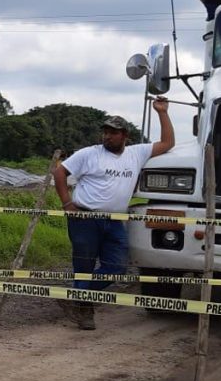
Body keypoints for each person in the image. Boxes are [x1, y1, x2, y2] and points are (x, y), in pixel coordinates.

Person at [53, 98, 175, 330]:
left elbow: (168, 142)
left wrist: (162, 112)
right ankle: (85, 311)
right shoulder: (89, 154)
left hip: (115, 221)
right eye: (105, 132)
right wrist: (67, 204)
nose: (107, 136)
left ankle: (77, 298)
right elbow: (60, 172)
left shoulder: (136, 153)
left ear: (124, 135)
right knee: (84, 266)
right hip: (85, 219)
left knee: (117, 267)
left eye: (112, 132)